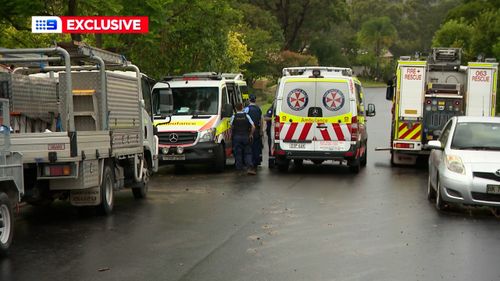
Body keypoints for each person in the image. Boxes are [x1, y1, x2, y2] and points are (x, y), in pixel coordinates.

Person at [230, 103, 256, 175]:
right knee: (248, 153)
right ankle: (249, 168)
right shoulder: (247, 116)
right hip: (246, 136)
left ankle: (239, 170)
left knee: (238, 153)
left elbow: (231, 127)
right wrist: (250, 134)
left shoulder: (233, 116)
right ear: (242, 107)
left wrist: (232, 135)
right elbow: (253, 127)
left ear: (235, 108)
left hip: (237, 137)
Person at [244, 94, 263, 167]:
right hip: (257, 130)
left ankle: (250, 162)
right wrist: (261, 130)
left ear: (249, 100)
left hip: (249, 130)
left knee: (249, 147)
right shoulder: (259, 109)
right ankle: (256, 161)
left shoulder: (246, 109)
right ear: (255, 100)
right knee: (256, 146)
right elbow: (261, 120)